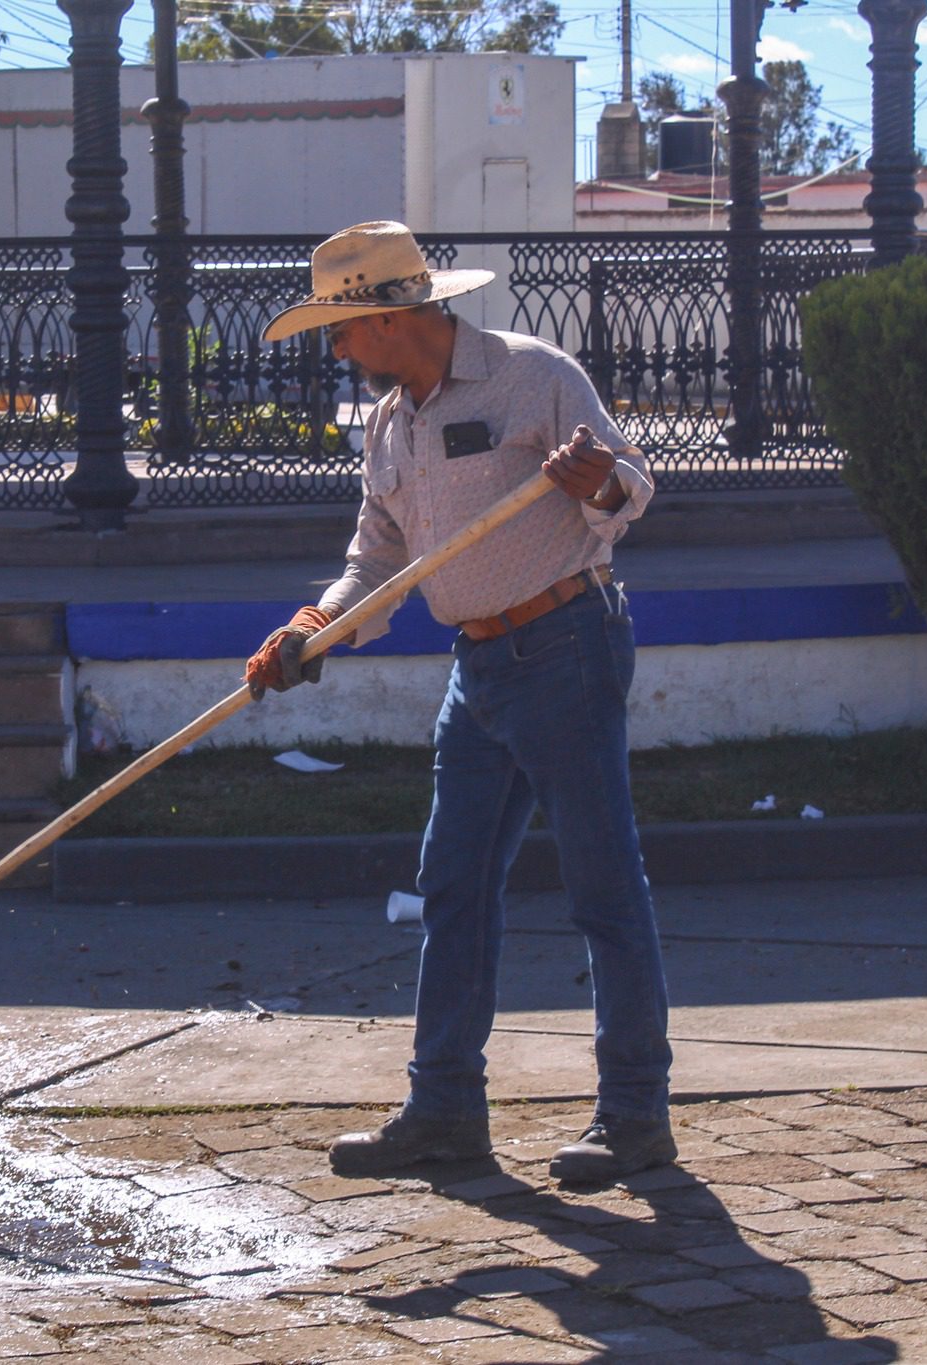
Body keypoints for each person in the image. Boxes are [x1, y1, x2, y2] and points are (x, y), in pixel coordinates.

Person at [246, 221, 673, 1186]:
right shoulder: (390, 426)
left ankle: (637, 1114)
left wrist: (598, 482)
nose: (339, 350)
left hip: (567, 643)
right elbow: (379, 562)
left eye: (342, 331)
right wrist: (312, 631)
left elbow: (633, 486)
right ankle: (444, 1108)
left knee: (603, 885)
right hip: (478, 665)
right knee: (453, 884)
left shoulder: (534, 376)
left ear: (389, 317)